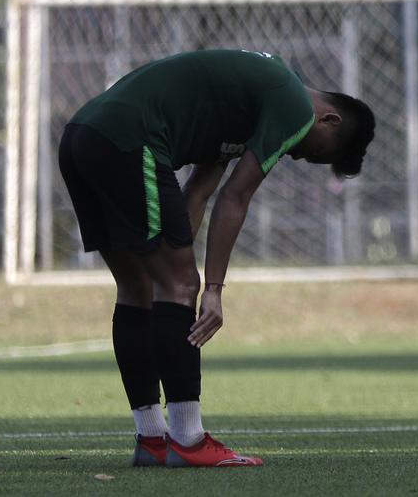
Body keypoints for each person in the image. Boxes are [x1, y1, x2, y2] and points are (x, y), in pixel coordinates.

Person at [58, 48, 375, 467]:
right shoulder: (294, 105)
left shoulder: (251, 95)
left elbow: (199, 193)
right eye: (313, 151)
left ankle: (153, 439)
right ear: (329, 119)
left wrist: (177, 258)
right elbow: (234, 198)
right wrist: (210, 289)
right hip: (130, 141)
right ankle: (188, 441)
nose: (296, 155)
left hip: (83, 136)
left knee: (140, 288)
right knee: (179, 286)